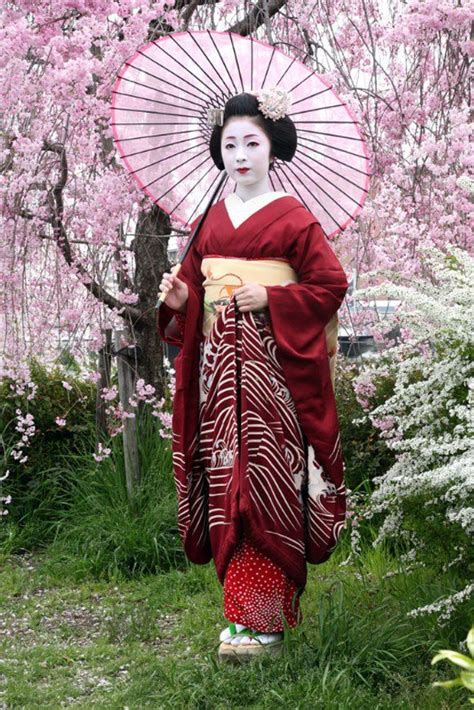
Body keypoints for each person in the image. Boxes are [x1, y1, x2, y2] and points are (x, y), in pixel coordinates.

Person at [158, 90, 349, 660]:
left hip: (273, 374)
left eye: (252, 143)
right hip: (219, 371)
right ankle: (240, 616)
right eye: (230, 143)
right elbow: (193, 299)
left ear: (273, 149)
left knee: (266, 480)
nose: (240, 154)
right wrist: (181, 296)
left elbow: (330, 285)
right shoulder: (208, 222)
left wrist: (273, 296)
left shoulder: (295, 218)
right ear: (220, 151)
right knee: (226, 479)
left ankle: (265, 619)